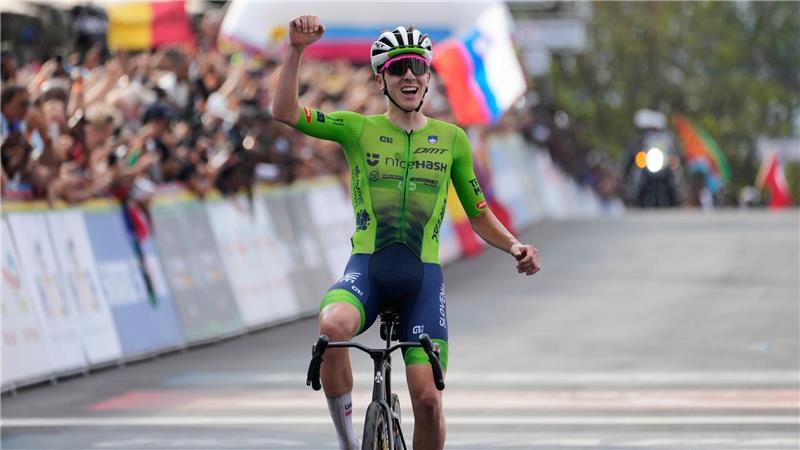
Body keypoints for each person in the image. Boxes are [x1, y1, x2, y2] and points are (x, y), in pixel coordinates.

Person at [272, 15, 541, 450]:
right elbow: (283, 112)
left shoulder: (452, 139)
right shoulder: (357, 129)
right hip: (368, 270)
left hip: (421, 280)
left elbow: (478, 211)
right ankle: (347, 443)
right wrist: (296, 50)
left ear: (428, 76)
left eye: (417, 66)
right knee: (331, 326)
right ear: (382, 78)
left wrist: (514, 246)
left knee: (429, 405)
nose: (409, 75)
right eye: (398, 68)